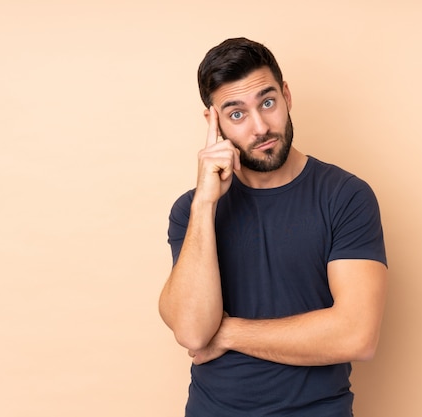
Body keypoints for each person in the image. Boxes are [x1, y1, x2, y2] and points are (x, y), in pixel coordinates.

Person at [159, 37, 388, 416]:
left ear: (286, 95)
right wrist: (204, 203)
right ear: (212, 122)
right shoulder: (192, 210)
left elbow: (357, 334)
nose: (261, 127)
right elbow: (193, 331)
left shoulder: (346, 196)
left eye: (267, 103)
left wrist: (228, 333)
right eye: (236, 114)